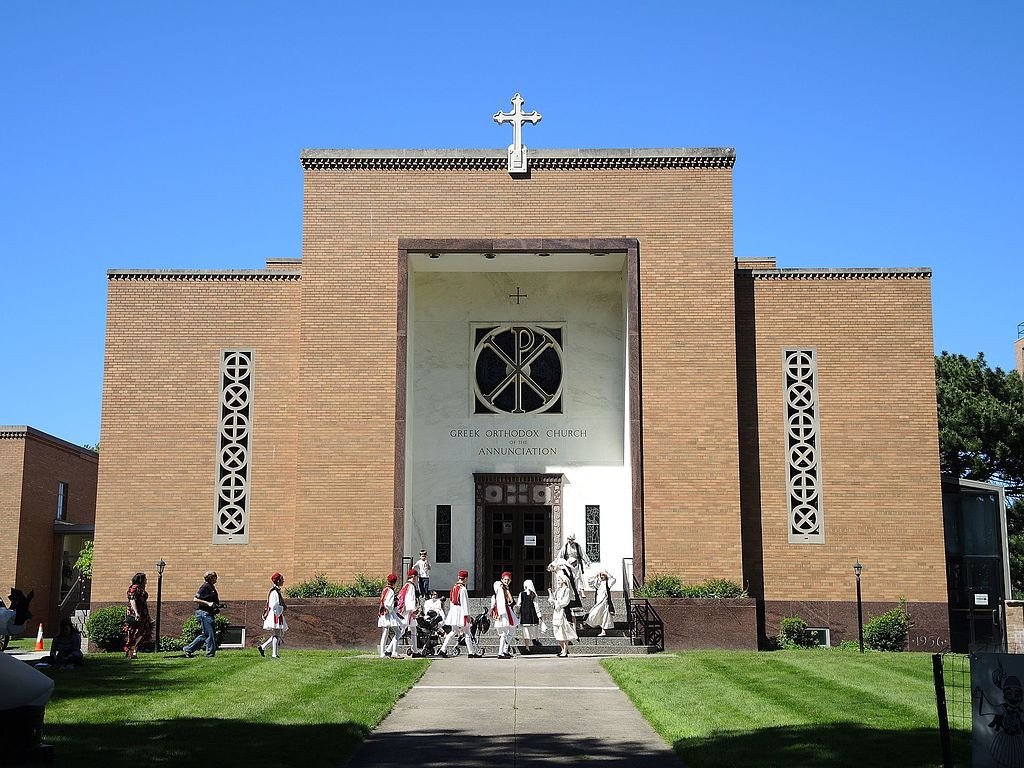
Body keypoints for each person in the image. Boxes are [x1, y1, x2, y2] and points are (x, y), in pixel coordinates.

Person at [439, 569, 481, 658]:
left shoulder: (454, 587)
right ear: (466, 578)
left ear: (459, 577)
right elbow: (464, 603)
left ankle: (442, 649)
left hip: (454, 610)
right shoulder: (463, 589)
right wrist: (467, 615)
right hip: (461, 611)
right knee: (467, 632)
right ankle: (471, 652)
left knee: (453, 631)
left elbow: (451, 600)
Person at [183, 570, 221, 658]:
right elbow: (195, 599)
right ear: (211, 577)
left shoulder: (211, 587)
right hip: (204, 613)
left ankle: (188, 649)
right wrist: (208, 604)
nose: (216, 578)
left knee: (205, 635)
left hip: (208, 613)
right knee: (210, 634)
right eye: (215, 577)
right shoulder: (205, 586)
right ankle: (210, 654)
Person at [256, 572, 288, 659]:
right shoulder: (274, 592)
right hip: (275, 615)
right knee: (277, 634)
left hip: (277, 614)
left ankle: (263, 647)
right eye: (282, 579)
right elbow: (274, 605)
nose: (283, 581)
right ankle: (274, 654)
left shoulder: (276, 591)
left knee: (278, 634)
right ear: (278, 581)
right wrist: (281, 609)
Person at [547, 557, 582, 630]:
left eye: (553, 567)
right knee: (569, 612)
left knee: (569, 612)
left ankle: (572, 628)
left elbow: (563, 584)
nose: (553, 569)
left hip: (566, 594)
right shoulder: (564, 571)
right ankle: (573, 628)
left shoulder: (561, 573)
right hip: (567, 594)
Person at [124, 572, 153, 659]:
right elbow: (132, 600)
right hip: (135, 613)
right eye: (145, 579)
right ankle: (131, 650)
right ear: (141, 579)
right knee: (134, 632)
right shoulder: (134, 588)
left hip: (143, 613)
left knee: (145, 631)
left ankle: (134, 650)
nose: (146, 581)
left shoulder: (140, 588)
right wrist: (136, 613)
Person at [549, 571, 578, 657]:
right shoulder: (558, 590)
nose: (558, 581)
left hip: (563, 612)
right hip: (557, 612)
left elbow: (565, 602)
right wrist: (550, 594)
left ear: (564, 580)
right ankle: (562, 649)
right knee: (557, 631)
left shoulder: (567, 590)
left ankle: (565, 650)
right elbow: (553, 599)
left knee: (564, 631)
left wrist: (555, 602)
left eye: (559, 580)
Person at [491, 571, 519, 659]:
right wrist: (499, 613)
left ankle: (505, 650)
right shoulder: (500, 588)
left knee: (512, 629)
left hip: (508, 610)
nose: (506, 581)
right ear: (502, 580)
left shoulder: (506, 589)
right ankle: (500, 652)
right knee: (504, 632)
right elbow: (499, 601)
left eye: (508, 579)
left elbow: (511, 601)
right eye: (505, 579)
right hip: (503, 611)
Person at [585, 569, 617, 636]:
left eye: (603, 575)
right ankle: (593, 624)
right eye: (601, 575)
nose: (602, 576)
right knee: (594, 613)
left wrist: (607, 573)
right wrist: (596, 575)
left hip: (605, 602)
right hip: (598, 602)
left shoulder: (607, 582)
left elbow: (613, 580)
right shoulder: (598, 583)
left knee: (605, 616)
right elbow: (590, 582)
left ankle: (603, 631)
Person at [398, 569, 421, 656]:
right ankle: (389, 649)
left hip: (406, 610)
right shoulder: (411, 586)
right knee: (402, 631)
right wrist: (414, 610)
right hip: (408, 612)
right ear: (414, 577)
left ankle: (415, 650)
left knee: (414, 630)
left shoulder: (406, 585)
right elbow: (410, 599)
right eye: (417, 577)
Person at [377, 573, 401, 658]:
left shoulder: (385, 589)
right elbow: (389, 604)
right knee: (397, 632)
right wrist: (394, 603)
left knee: (385, 633)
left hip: (383, 613)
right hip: (388, 614)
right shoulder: (390, 591)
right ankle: (393, 652)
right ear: (394, 582)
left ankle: (383, 653)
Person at [516, 579, 543, 652]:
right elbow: (536, 605)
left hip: (524, 614)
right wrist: (539, 614)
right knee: (533, 629)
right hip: (532, 614)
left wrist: (517, 613)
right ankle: (534, 640)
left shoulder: (521, 594)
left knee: (526, 631)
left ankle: (527, 647)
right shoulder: (533, 594)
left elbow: (518, 604)